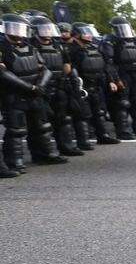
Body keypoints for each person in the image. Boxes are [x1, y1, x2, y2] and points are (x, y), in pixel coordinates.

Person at [1, 13, 68, 171]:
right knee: (16, 130)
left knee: (42, 125)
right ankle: (14, 162)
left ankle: (46, 154)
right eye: (14, 28)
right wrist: (29, 87)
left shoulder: (30, 47)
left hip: (35, 93)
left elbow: (45, 69)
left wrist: (40, 86)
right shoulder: (2, 48)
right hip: (14, 94)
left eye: (20, 28)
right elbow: (3, 73)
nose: (17, 32)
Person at [29, 15, 84, 156]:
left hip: (59, 86)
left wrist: (69, 80)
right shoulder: (31, 46)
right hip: (41, 88)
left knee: (63, 119)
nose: (47, 32)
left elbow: (67, 64)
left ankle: (66, 146)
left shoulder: (58, 45)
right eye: (44, 29)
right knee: (41, 123)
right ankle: (41, 153)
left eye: (48, 29)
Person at [69, 22, 120, 145]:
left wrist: (111, 81)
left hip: (97, 85)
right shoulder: (71, 50)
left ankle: (103, 136)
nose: (89, 35)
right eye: (85, 32)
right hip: (82, 86)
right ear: (76, 34)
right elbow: (71, 70)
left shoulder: (94, 48)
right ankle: (83, 141)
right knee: (82, 115)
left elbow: (105, 66)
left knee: (99, 112)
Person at [102, 16, 136, 137]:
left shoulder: (132, 41)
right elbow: (109, 63)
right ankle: (123, 130)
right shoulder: (110, 41)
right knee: (122, 103)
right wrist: (115, 79)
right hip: (122, 73)